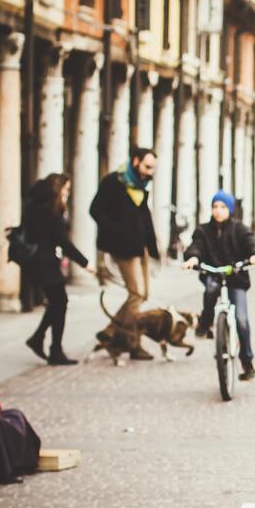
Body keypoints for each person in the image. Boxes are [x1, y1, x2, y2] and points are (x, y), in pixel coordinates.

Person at [182, 191, 255, 380]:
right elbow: (196, 246)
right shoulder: (203, 230)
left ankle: (247, 361)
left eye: (223, 207)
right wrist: (192, 258)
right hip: (213, 274)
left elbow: (252, 243)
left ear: (231, 209)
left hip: (236, 278)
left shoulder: (239, 229)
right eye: (215, 207)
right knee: (211, 289)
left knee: (242, 320)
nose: (218, 211)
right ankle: (205, 322)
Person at [90, 147, 158, 360]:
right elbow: (96, 210)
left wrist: (153, 245)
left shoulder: (141, 186)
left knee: (142, 294)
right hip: (123, 248)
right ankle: (131, 342)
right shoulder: (114, 182)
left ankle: (110, 333)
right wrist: (117, 233)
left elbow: (144, 216)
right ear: (135, 161)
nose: (150, 172)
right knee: (136, 294)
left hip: (140, 246)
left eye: (153, 168)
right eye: (147, 167)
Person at [24, 174, 96, 365]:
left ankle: (39, 339)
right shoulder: (51, 210)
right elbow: (62, 241)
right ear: (58, 189)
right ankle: (54, 350)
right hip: (45, 263)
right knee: (59, 301)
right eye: (66, 189)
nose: (67, 193)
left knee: (57, 302)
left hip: (37, 262)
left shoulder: (34, 206)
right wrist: (85, 263)